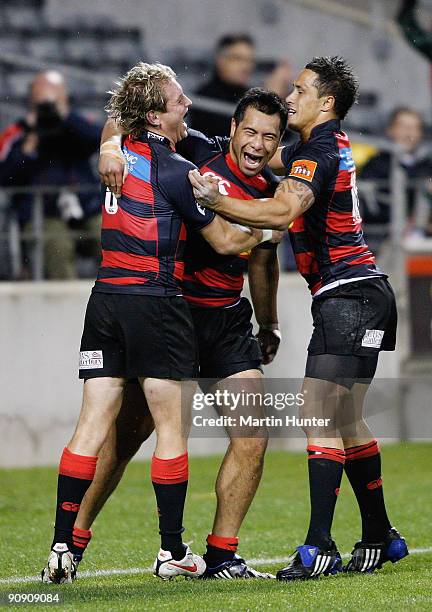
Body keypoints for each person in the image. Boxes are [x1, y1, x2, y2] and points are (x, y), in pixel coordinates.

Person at [41, 63, 279, 584]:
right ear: (233, 129)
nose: (259, 144)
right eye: (252, 131)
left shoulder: (272, 181)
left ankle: (220, 553)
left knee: (251, 431)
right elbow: (229, 240)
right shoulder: (190, 156)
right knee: (134, 437)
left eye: (271, 137)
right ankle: (127, 545)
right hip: (168, 306)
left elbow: (264, 263)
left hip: (203, 317)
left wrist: (270, 322)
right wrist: (265, 224)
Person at [189, 56, 409, 580]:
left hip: (348, 295)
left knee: (320, 415)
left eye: (300, 90)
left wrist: (212, 197)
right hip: (364, 292)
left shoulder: (315, 152)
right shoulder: (326, 147)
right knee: (345, 421)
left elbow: (281, 212)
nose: (290, 97)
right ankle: (380, 534)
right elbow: (270, 164)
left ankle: (319, 546)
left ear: (325, 102)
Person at [0, 71, 101, 279]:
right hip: (43, 213)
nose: (47, 107)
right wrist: (28, 144)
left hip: (86, 207)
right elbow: (5, 177)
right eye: (42, 101)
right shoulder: (17, 132)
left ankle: (119, 302)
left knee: (111, 238)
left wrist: (66, 118)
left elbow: (101, 139)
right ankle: (67, 309)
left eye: (53, 99)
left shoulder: (77, 124)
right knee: (58, 246)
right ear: (31, 101)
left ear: (64, 98)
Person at [189, 33, 292, 137]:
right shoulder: (204, 99)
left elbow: (284, 137)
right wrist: (271, 101)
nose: (246, 66)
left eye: (249, 60)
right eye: (238, 59)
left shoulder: (250, 95)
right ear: (220, 60)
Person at [360, 106, 432, 253]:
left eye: (414, 128)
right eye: (404, 127)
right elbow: (369, 207)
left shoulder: (427, 166)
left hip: (423, 237)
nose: (409, 133)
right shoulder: (375, 165)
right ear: (390, 130)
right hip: (382, 239)